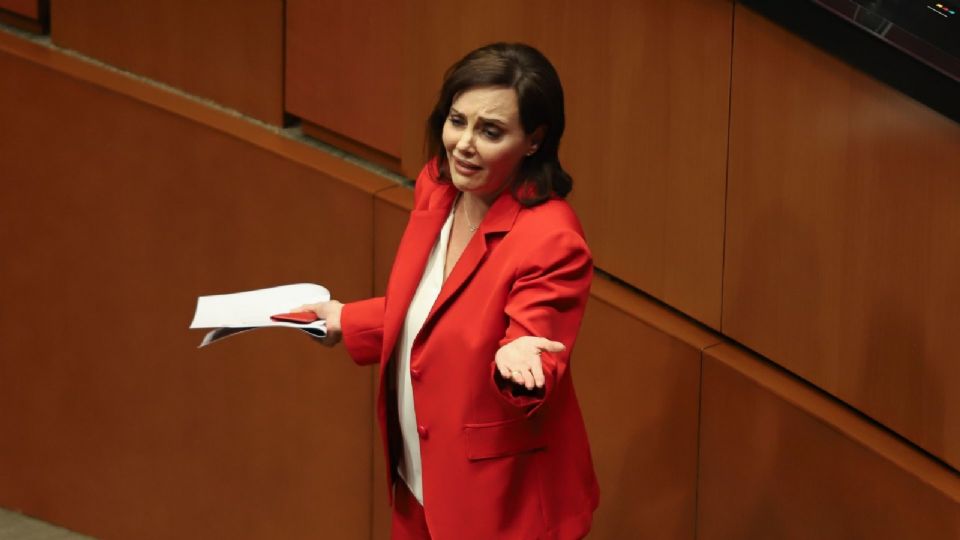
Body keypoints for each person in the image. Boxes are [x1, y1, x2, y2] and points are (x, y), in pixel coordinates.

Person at [295, 42, 599, 540]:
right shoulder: (439, 188)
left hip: (498, 508)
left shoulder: (552, 239)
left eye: (491, 131)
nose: (464, 144)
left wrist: (520, 361)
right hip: (420, 486)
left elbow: (536, 354)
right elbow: (434, 310)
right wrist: (345, 319)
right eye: (458, 121)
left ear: (534, 140)